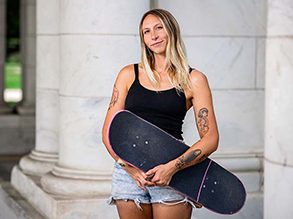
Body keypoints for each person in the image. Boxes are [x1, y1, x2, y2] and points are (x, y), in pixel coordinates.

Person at [102, 8, 219, 219]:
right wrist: (128, 168)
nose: (153, 36)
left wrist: (172, 168)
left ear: (172, 30)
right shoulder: (129, 74)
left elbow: (210, 138)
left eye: (159, 28)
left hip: (173, 172)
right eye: (146, 32)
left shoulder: (194, 80)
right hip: (129, 173)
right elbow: (109, 131)